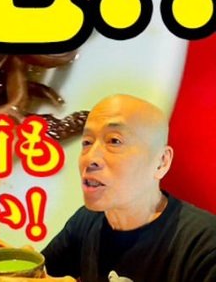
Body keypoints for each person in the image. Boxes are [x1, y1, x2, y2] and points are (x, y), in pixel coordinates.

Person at [40, 94, 216, 282]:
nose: (90, 158)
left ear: (161, 162)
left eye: (114, 141)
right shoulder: (86, 220)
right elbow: (39, 275)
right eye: (87, 142)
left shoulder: (205, 244)